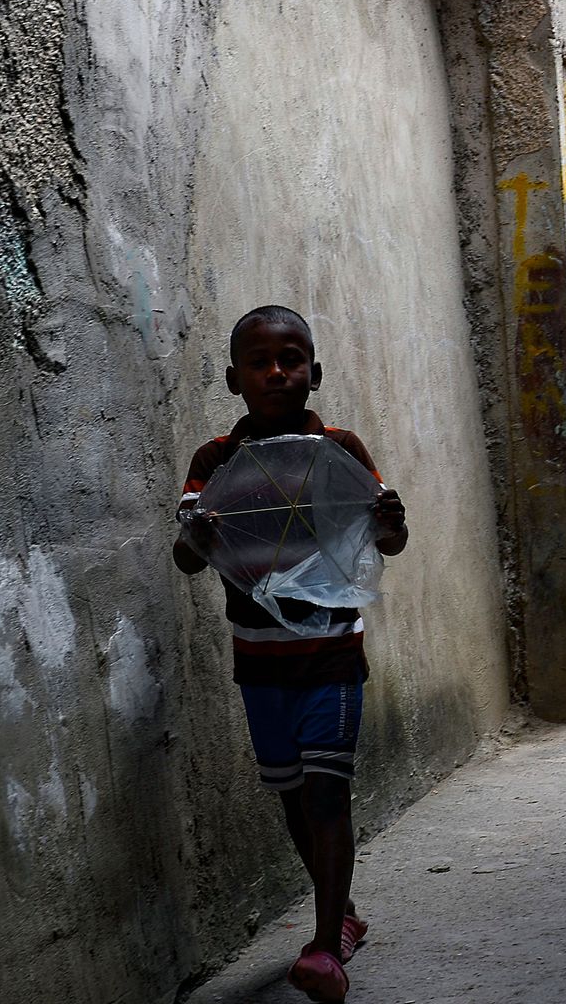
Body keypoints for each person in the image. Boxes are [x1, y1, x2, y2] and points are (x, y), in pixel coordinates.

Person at [173, 305, 408, 1004]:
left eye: (291, 358)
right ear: (233, 378)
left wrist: (391, 523)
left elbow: (386, 544)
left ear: (315, 371)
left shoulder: (339, 448)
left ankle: (325, 941)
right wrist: (198, 536)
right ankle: (346, 917)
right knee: (292, 800)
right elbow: (187, 561)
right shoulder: (216, 462)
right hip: (260, 659)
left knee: (328, 792)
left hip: (332, 651)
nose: (276, 372)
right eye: (259, 361)